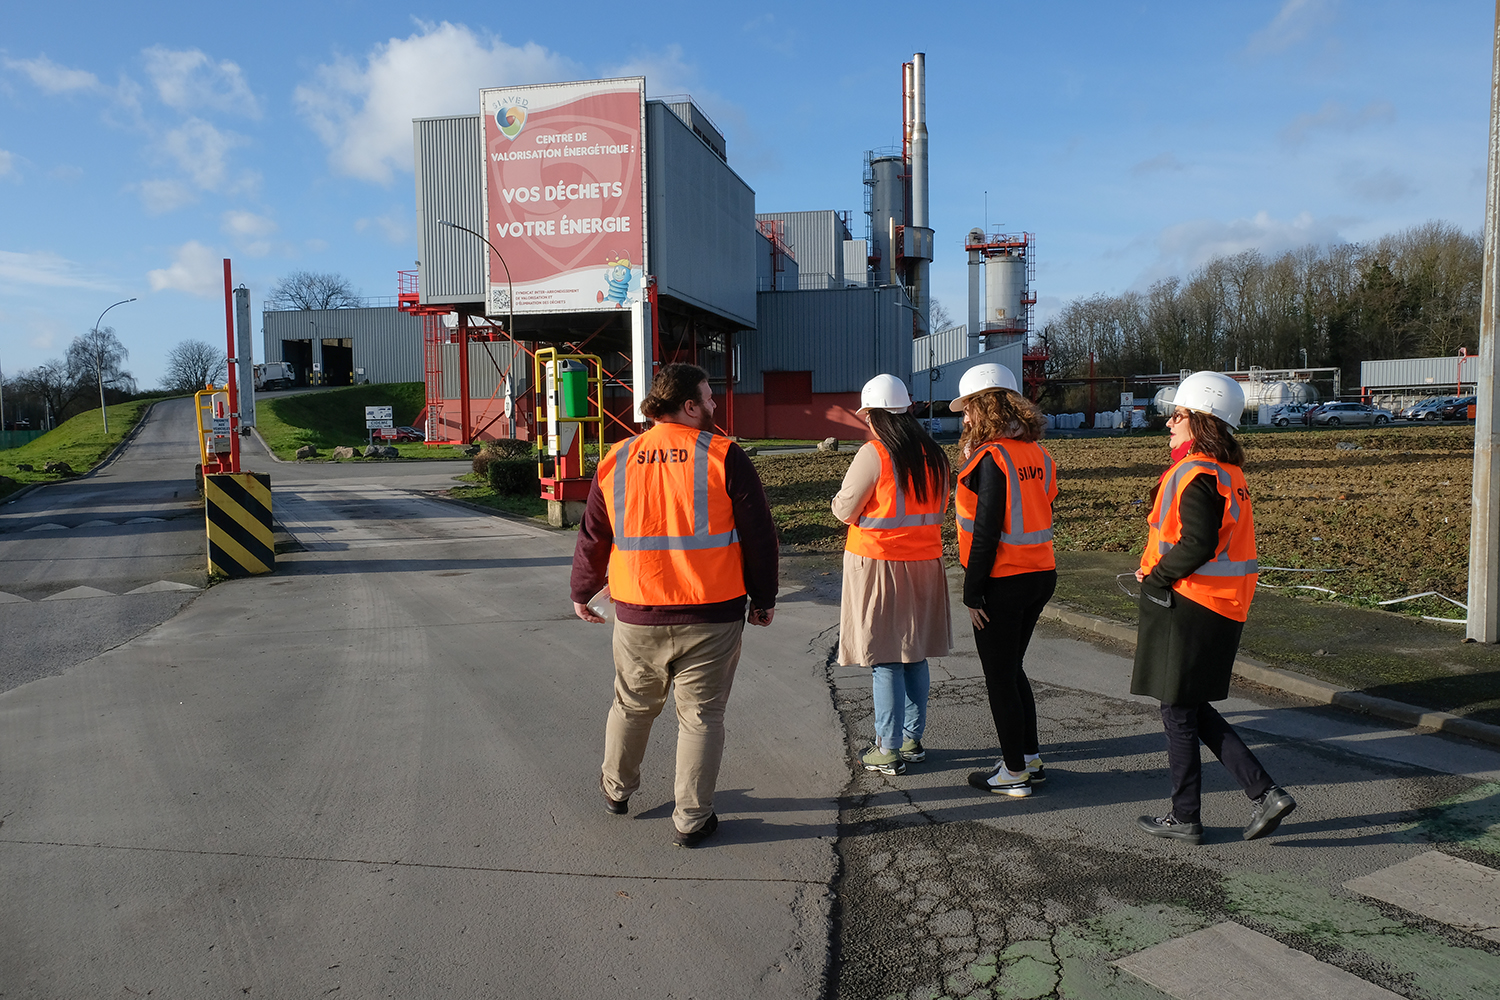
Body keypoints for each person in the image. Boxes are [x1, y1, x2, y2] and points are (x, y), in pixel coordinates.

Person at [570, 363, 779, 848]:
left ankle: (616, 791)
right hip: (713, 613)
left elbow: (593, 536)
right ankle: (691, 819)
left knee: (631, 705)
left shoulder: (616, 458)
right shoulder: (724, 455)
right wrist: (763, 598)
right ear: (687, 405)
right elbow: (759, 537)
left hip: (637, 612)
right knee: (702, 717)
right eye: (708, 398)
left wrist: (582, 591)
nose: (713, 406)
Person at [1132, 371, 1295, 845]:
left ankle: (1186, 817)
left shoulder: (1196, 472)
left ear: (1200, 420)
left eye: (1177, 415)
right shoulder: (1229, 474)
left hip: (1191, 605)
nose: (1169, 424)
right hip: (1221, 605)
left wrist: (1159, 575)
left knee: (1177, 712)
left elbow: (1198, 542)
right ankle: (1265, 793)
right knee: (1190, 707)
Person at [832, 374, 953, 776]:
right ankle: (912, 738)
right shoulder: (936, 455)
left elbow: (845, 509)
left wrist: (838, 500)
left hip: (879, 564)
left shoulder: (874, 454)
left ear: (875, 416)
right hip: (926, 565)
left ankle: (887, 746)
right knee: (914, 654)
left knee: (886, 657)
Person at [951, 364, 1058, 798]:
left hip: (1002, 581)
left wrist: (972, 591)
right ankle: (1029, 759)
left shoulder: (991, 458)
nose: (964, 419)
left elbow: (986, 530)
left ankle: (1014, 773)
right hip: (1040, 574)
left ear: (983, 408)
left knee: (1000, 679)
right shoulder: (1038, 454)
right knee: (1013, 670)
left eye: (968, 410)